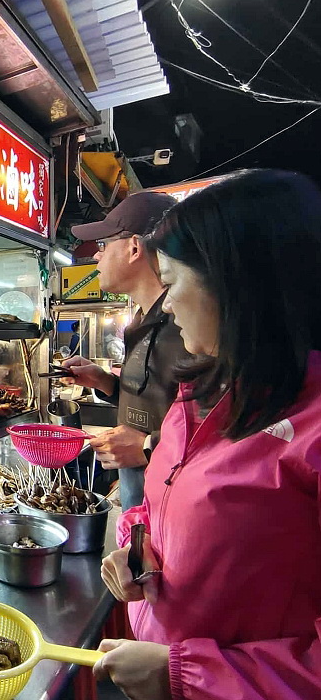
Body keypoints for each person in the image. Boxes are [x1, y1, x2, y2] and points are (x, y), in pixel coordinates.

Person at [95, 169, 321, 700]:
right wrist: (136, 551)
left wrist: (184, 675)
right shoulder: (199, 395)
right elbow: (155, 505)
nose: (168, 306)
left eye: (172, 283)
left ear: (237, 281)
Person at [63, 191, 187, 511]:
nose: (95, 256)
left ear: (134, 248)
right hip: (141, 499)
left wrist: (148, 446)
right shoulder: (142, 319)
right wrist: (105, 382)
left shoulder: (190, 324)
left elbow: (226, 429)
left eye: (103, 246)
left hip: (176, 502)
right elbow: (160, 398)